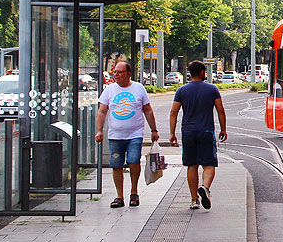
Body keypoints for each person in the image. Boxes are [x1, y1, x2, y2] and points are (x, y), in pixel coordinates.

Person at [96, 61, 159, 208]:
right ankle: (119, 196)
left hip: (134, 134)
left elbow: (147, 110)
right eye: (115, 72)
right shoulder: (109, 90)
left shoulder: (138, 88)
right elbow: (102, 111)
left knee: (133, 161)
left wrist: (154, 130)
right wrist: (99, 130)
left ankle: (134, 192)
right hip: (115, 136)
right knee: (116, 165)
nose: (116, 75)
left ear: (128, 74)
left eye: (119, 72)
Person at [169, 60, 227, 210]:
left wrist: (172, 133)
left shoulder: (181, 91)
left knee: (191, 165)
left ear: (190, 73)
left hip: (188, 131)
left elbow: (174, 112)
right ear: (202, 72)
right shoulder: (212, 89)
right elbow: (220, 110)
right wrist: (223, 129)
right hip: (206, 131)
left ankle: (194, 200)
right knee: (209, 164)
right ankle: (205, 188)